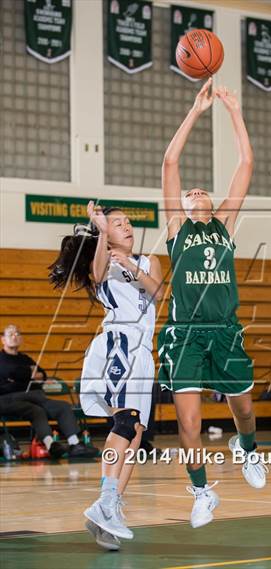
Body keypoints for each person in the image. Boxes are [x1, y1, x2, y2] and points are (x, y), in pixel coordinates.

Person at [158, 78, 268, 530]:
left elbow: (246, 161)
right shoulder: (175, 229)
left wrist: (235, 112)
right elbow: (170, 161)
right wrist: (197, 111)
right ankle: (202, 491)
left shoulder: (224, 224)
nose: (198, 189)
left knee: (243, 410)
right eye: (191, 191)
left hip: (225, 330)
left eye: (203, 189)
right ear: (182, 205)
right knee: (189, 422)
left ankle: (247, 448)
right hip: (184, 335)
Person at [49, 202, 163, 550]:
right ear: (107, 234)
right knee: (125, 423)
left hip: (144, 353)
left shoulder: (148, 261)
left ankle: (110, 510)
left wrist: (130, 265)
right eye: (118, 223)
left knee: (136, 435)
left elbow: (160, 292)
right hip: (119, 345)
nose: (127, 226)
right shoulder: (104, 261)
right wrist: (100, 232)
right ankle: (105, 500)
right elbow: (97, 276)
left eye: (128, 222)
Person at [0, 324, 97, 459]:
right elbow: (12, 372)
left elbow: (42, 375)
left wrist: (20, 378)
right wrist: (29, 374)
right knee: (36, 406)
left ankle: (74, 444)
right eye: (10, 334)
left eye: (17, 333)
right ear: (3, 339)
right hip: (8, 399)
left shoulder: (25, 358)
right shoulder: (1, 359)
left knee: (62, 406)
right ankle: (51, 445)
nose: (15, 336)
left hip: (34, 398)